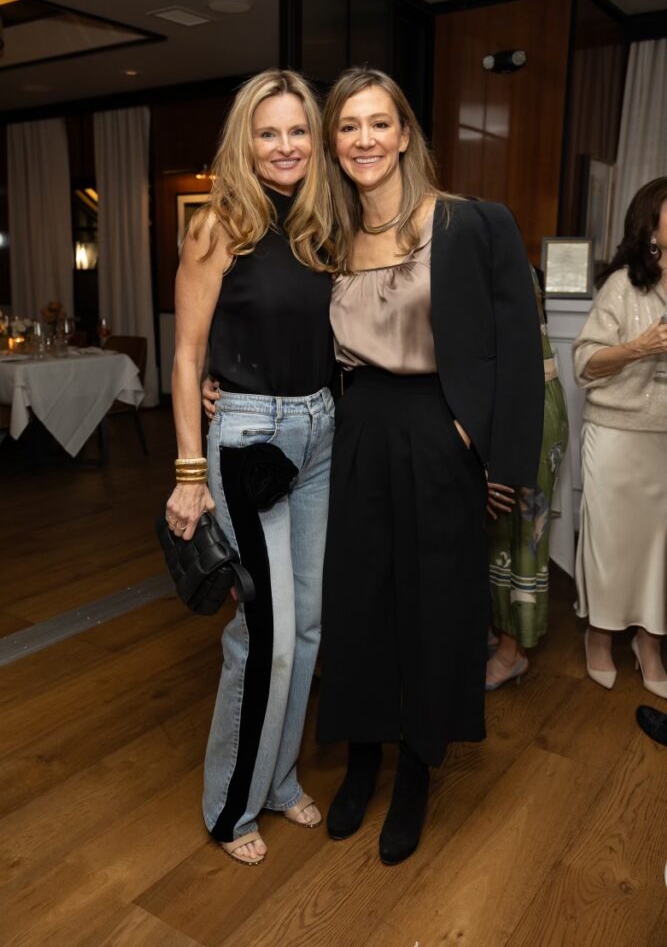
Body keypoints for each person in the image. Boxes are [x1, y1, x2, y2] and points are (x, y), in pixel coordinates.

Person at [315, 67, 543, 865]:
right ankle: (362, 758)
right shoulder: (328, 238)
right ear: (334, 143)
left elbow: (519, 350)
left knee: (434, 605)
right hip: (355, 430)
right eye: (349, 127)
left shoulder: (471, 223)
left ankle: (416, 766)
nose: (365, 140)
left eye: (379, 123)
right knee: (358, 602)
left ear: (405, 132)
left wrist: (498, 459)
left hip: (437, 432)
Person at [166, 69, 336, 865]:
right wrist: (188, 472)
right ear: (245, 139)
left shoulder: (318, 226)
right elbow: (186, 357)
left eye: (297, 131)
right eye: (268, 132)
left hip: (320, 432)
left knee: (304, 627)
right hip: (248, 438)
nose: (285, 146)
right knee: (263, 632)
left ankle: (277, 780)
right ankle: (230, 806)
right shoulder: (215, 227)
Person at [574, 176, 667, 696]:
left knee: (661, 549)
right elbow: (585, 362)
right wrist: (639, 346)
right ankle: (600, 636)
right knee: (612, 545)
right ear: (651, 226)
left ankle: (650, 643)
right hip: (617, 435)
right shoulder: (622, 286)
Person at [485, 265, 569, 690]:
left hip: (529, 411)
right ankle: (499, 633)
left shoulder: (509, 271)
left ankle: (511, 651)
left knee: (522, 538)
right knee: (497, 533)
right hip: (508, 408)